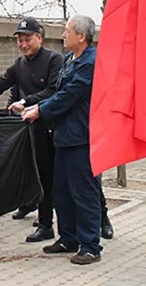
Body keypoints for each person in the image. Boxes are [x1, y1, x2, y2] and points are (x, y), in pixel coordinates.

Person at [0, 17, 63, 242]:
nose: (23, 44)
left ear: (39, 38)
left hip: (51, 129)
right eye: (20, 40)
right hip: (28, 128)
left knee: (49, 176)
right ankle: (40, 215)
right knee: (32, 173)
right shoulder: (20, 65)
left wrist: (26, 101)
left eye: (28, 39)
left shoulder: (53, 60)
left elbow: (53, 91)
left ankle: (90, 219)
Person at [21, 14, 102, 265]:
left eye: (67, 31)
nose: (63, 35)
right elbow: (56, 92)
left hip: (82, 138)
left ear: (82, 36)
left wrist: (40, 110)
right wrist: (36, 105)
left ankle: (90, 246)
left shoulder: (91, 62)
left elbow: (69, 95)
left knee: (84, 193)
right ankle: (69, 238)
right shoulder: (69, 59)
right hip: (63, 136)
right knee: (62, 191)